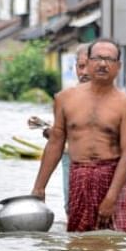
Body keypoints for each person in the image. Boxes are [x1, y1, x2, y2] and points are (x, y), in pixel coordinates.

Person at [31, 39, 126, 232]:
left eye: (109, 59)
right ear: (87, 63)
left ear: (119, 66)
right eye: (97, 58)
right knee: (78, 244)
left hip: (112, 175)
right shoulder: (64, 99)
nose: (103, 64)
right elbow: (56, 144)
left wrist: (111, 197)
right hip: (79, 174)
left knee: (115, 247)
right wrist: (39, 187)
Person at [28, 43, 91, 211]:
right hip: (71, 162)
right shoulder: (66, 100)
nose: (84, 72)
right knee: (74, 213)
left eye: (89, 66)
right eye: (81, 66)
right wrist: (39, 188)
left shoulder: (117, 102)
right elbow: (58, 140)